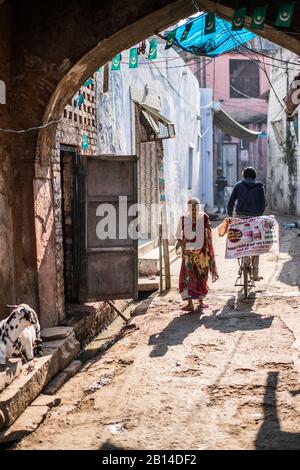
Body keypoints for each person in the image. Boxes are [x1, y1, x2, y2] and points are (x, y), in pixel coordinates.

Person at [177, 198, 219, 312]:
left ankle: (200, 301)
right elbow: (177, 235)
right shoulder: (184, 219)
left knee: (202, 276)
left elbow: (209, 233)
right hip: (189, 254)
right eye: (192, 207)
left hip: (202, 253)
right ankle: (190, 304)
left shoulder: (204, 217)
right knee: (189, 277)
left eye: (196, 206)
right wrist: (183, 246)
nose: (194, 209)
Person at [227, 167, 266, 281]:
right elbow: (262, 205)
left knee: (238, 242)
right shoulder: (259, 187)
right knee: (256, 244)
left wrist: (230, 215)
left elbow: (231, 202)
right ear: (254, 177)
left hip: (240, 218)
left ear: (244, 176)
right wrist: (258, 215)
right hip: (254, 218)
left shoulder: (238, 185)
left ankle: (240, 267)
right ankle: (255, 273)